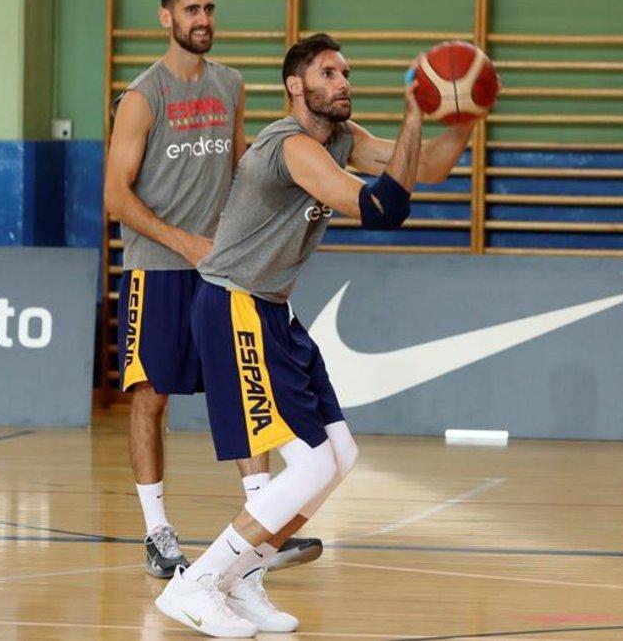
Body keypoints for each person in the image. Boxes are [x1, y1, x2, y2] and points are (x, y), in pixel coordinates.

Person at [153, 33, 480, 637]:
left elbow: (426, 167)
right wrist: (414, 112)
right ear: (295, 87)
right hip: (233, 306)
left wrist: (465, 116)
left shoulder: (342, 140)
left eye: (347, 72)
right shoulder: (291, 147)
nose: (343, 82)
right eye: (329, 73)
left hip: (272, 308)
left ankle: (243, 578)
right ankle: (196, 583)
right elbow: (385, 209)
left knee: (339, 456)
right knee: (306, 468)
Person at [103, 0, 319, 581]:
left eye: (210, 8)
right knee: (151, 396)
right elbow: (116, 197)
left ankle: (262, 519)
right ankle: (156, 532)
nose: (203, 18)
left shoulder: (230, 86)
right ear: (167, 18)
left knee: (242, 390)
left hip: (222, 272)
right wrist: (185, 242)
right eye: (191, 9)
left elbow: (239, 169)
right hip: (159, 271)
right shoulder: (144, 97)